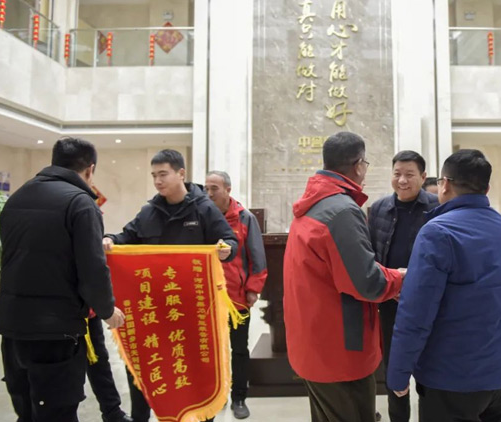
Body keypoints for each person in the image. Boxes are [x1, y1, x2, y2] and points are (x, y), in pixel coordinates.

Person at [103, 149, 238, 422]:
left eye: (163, 174)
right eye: (154, 175)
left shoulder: (204, 209)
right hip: (153, 309)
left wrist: (226, 249)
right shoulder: (149, 212)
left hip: (194, 310)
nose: (157, 181)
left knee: (195, 367)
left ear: (181, 173)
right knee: (147, 364)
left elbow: (229, 240)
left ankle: (201, 415)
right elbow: (126, 236)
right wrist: (110, 239)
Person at [0, 137, 125, 422]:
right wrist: (107, 311)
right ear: (90, 169)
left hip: (12, 328)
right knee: (58, 411)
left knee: (26, 412)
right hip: (55, 333)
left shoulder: (17, 197)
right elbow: (92, 269)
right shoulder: (80, 204)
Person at [387, 149, 501, 422]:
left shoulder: (438, 232)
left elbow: (416, 313)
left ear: (445, 184)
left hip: (452, 379)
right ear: (486, 189)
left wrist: (398, 373)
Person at [283, 131, 405, 422]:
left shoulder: (313, 204)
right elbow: (367, 282)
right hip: (339, 349)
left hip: (315, 342)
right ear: (359, 165)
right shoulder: (341, 211)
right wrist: (400, 278)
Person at [368, 150, 438, 422]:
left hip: (427, 303)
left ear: (423, 176)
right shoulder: (379, 209)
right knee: (393, 368)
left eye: (409, 174)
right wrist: (389, 286)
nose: (402, 180)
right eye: (397, 174)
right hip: (390, 303)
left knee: (428, 366)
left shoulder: (437, 207)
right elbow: (371, 254)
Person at [205, 170, 268, 420]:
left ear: (228, 190)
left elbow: (257, 257)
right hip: (207, 299)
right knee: (212, 350)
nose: (209, 194)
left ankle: (239, 397)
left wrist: (253, 289)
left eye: (214, 189)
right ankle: (216, 396)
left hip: (237, 298)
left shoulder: (245, 218)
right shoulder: (202, 216)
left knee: (239, 349)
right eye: (206, 188)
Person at [87, 313, 133, 422]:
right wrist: (107, 310)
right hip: (61, 319)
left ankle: (112, 412)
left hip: (88, 313)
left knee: (99, 359)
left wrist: (105, 309)